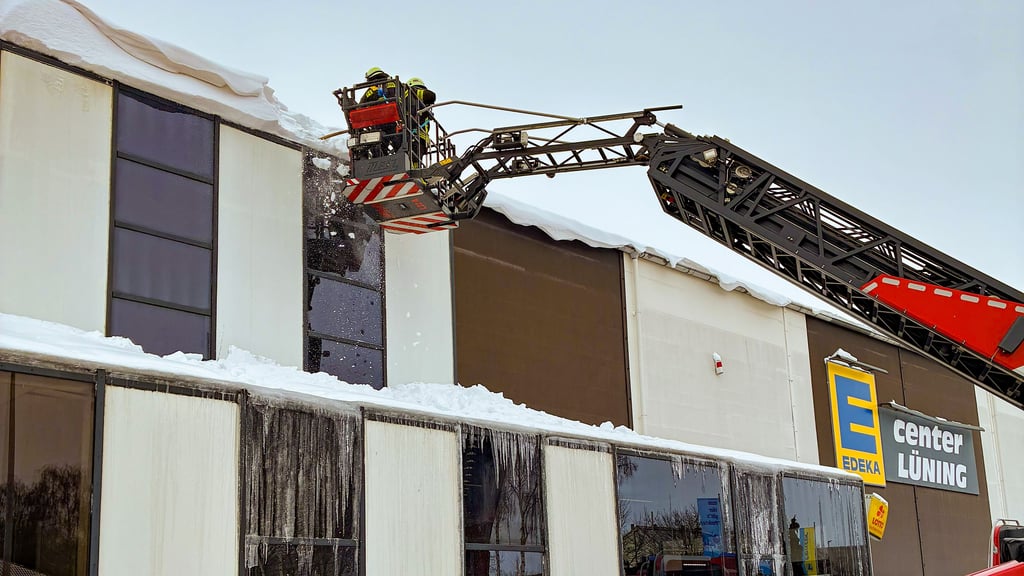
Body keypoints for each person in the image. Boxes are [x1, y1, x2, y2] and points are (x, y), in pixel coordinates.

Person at [405, 77, 436, 160]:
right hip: (415, 137)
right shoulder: (413, 92)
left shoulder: (404, 98)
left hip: (411, 137)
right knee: (414, 162)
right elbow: (431, 96)